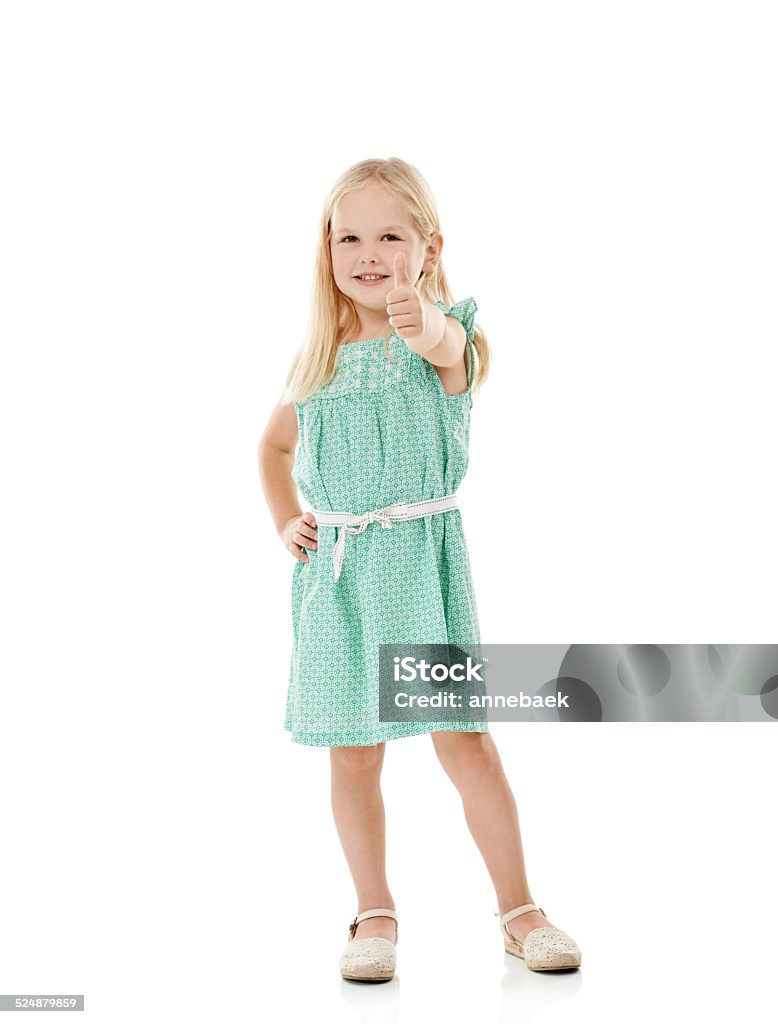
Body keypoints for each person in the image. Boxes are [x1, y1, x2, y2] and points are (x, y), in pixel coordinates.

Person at [258, 157, 581, 981]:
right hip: (336, 583)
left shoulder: (444, 337)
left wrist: (419, 316)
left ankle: (519, 910)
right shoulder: (318, 359)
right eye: (349, 237)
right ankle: (374, 913)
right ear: (325, 250)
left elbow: (447, 351)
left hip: (419, 568)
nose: (368, 253)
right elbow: (274, 445)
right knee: (353, 751)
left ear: (429, 248)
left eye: (390, 236)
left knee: (464, 741)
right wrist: (285, 518)